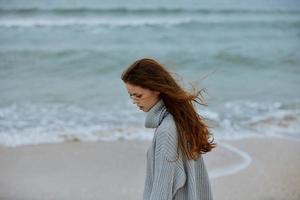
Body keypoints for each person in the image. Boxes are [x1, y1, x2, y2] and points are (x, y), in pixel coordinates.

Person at [121, 58, 216, 200]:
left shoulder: (167, 130)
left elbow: (162, 190)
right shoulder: (180, 120)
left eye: (138, 95)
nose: (135, 101)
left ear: (156, 89)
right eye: (131, 96)